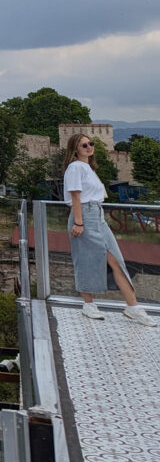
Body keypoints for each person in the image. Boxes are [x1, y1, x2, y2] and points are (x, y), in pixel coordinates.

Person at [63, 133, 157, 325]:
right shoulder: (75, 167)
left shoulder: (88, 168)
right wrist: (79, 222)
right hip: (85, 216)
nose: (89, 147)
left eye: (91, 143)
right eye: (84, 145)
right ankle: (89, 305)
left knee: (116, 260)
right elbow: (75, 197)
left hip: (97, 215)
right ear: (75, 150)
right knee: (86, 260)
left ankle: (133, 307)